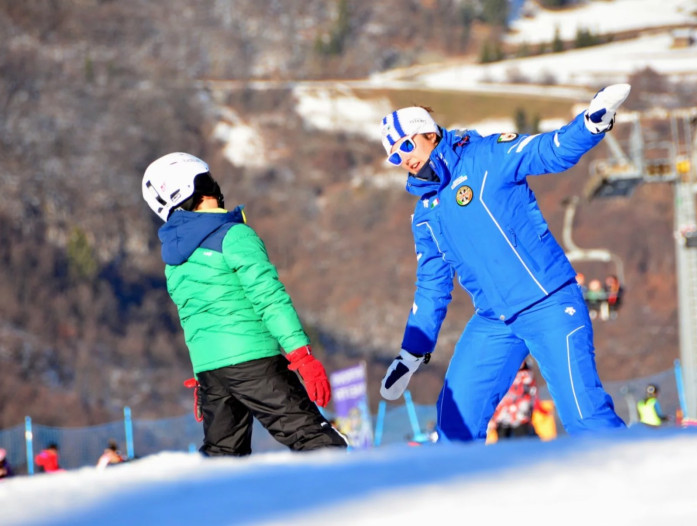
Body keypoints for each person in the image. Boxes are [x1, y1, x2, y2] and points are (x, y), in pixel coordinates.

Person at [378, 84, 631, 441]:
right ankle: (467, 495)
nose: (403, 157)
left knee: (586, 419)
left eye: (407, 145)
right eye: (394, 155)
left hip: (549, 303)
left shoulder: (486, 156)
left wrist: (591, 124)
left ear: (430, 134)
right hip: (495, 320)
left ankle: (641, 481)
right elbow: (432, 288)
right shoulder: (425, 215)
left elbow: (550, 150)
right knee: (454, 426)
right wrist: (411, 351)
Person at [142, 152, 347, 455]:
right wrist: (302, 356)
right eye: (208, 178)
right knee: (319, 443)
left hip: (211, 371)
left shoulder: (174, 260)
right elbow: (270, 298)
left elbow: (194, 319)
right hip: (254, 361)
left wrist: (206, 377)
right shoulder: (233, 236)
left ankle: (196, 504)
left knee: (223, 458)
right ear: (198, 185)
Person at [488, 361, 538, 440]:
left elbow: (532, 395)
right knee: (503, 445)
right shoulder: (501, 373)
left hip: (520, 417)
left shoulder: (526, 375)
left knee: (523, 443)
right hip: (503, 417)